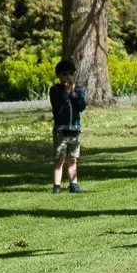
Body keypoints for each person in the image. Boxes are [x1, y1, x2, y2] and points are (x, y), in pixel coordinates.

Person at [49, 60, 86, 194]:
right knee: (59, 158)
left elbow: (81, 106)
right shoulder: (55, 90)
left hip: (74, 130)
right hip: (61, 130)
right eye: (65, 74)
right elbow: (58, 109)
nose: (68, 77)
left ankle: (73, 184)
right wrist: (66, 93)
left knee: (72, 158)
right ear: (59, 76)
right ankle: (57, 186)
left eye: (71, 74)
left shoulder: (78, 90)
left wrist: (74, 93)